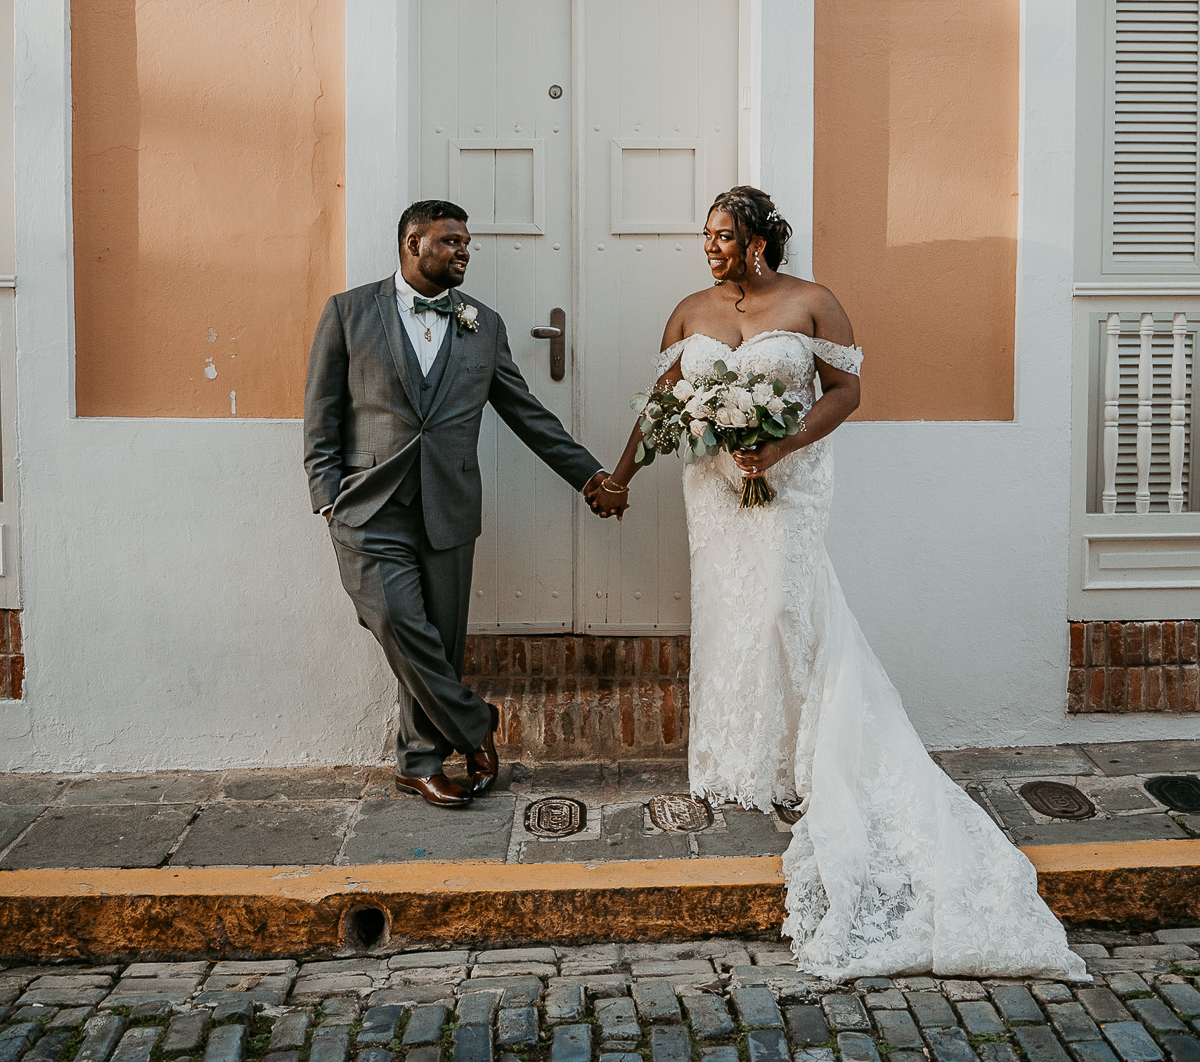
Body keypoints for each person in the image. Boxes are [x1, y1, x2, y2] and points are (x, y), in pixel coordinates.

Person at [587, 185, 1085, 980]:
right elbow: (664, 402)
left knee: (786, 608)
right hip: (715, 492)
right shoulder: (688, 311)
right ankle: (733, 763)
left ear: (757, 242)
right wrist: (618, 477)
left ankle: (796, 767)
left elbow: (847, 391)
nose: (709, 248)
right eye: (706, 235)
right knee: (729, 614)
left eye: (722, 236)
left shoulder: (814, 303)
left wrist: (779, 450)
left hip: (789, 485)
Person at [304, 199, 608, 808]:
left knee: (438, 642)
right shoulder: (347, 313)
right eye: (450, 241)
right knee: (397, 622)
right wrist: (327, 497)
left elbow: (526, 413)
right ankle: (477, 726)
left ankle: (418, 761)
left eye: (466, 242)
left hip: (448, 507)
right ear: (413, 243)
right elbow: (322, 415)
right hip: (367, 506)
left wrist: (589, 476)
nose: (464, 250)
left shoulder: (483, 324)